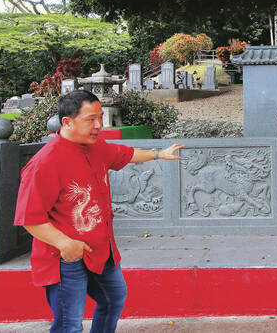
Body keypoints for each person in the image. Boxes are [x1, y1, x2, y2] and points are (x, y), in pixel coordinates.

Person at [14, 90, 184, 332]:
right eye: (90, 119)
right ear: (67, 122)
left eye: (100, 118)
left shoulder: (95, 147)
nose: (98, 126)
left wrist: (159, 154)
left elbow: (126, 154)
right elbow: (30, 218)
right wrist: (65, 244)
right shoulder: (45, 163)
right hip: (66, 257)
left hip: (100, 250)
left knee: (113, 298)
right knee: (69, 324)